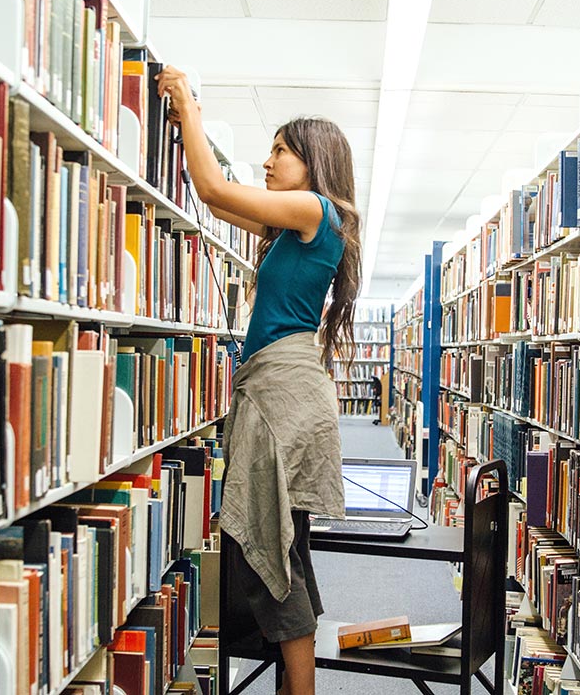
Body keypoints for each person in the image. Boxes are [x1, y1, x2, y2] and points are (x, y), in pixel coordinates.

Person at [156, 66, 360, 695]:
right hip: (283, 392)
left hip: (284, 402)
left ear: (314, 160)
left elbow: (214, 189)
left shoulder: (313, 209)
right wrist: (191, 133)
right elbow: (219, 195)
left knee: (273, 553)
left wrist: (188, 104)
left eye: (280, 150)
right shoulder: (298, 225)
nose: (268, 160)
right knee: (284, 548)